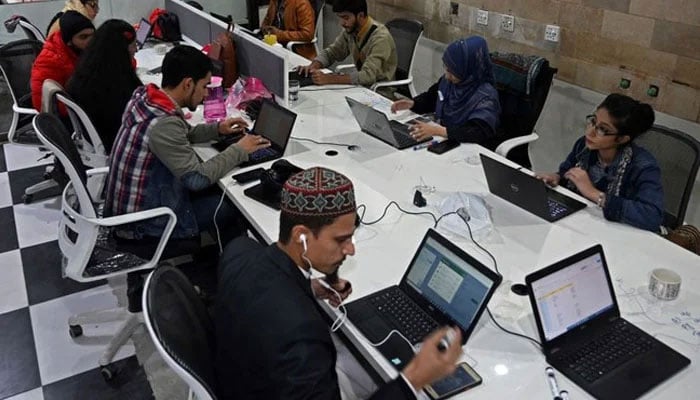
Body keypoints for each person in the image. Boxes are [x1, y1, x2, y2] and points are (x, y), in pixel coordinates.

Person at [216, 166, 463, 399]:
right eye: (340, 239)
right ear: (301, 236)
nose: (351, 249)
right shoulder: (302, 335)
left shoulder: (240, 250)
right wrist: (415, 378)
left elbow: (262, 289)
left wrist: (307, 287)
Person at [103, 45, 271, 246]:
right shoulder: (165, 124)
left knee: (220, 191)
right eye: (204, 86)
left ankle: (225, 259)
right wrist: (239, 150)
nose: (206, 95)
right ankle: (230, 268)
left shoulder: (146, 98)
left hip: (133, 211)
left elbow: (183, 134)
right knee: (233, 206)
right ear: (188, 84)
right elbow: (196, 179)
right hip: (144, 227)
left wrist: (218, 129)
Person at [536, 93, 663, 232]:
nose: (590, 132)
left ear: (622, 139)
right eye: (593, 121)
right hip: (581, 225)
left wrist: (594, 194)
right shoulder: (584, 146)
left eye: (602, 129)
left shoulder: (643, 166)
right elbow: (566, 172)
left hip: (619, 234)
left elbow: (652, 217)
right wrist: (556, 178)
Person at [390, 36, 500, 144]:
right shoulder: (451, 81)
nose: (447, 76)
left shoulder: (486, 96)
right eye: (446, 68)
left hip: (470, 148)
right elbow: (432, 97)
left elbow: (477, 132)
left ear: (467, 69)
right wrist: (413, 104)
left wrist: (439, 131)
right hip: (446, 139)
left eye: (452, 72)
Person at [67, 19, 141, 154]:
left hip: (93, 140)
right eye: (134, 44)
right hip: (116, 143)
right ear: (121, 50)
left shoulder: (88, 70)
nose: (136, 49)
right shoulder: (116, 84)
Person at [297, 0, 397, 87]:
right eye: (340, 18)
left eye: (346, 18)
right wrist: (313, 66)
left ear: (360, 15)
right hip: (360, 87)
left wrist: (329, 79)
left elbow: (367, 76)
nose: (342, 23)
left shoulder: (380, 38)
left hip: (379, 92)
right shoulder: (352, 31)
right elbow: (331, 52)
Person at [30, 11, 95, 112]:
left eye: (93, 36)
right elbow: (42, 103)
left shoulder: (82, 50)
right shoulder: (49, 60)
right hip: (68, 118)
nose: (90, 41)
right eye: (83, 37)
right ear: (69, 41)